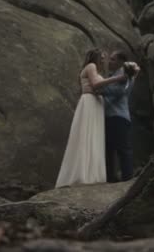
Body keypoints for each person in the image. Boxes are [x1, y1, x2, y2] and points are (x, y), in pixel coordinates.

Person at [55, 48, 129, 188]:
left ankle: (93, 174)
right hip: (90, 103)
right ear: (95, 57)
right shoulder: (91, 66)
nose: (104, 60)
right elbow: (95, 84)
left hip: (96, 105)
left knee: (94, 138)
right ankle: (83, 175)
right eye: (102, 57)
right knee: (86, 137)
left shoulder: (97, 70)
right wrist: (118, 78)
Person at [101, 50, 140, 182]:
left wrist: (100, 88)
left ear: (120, 62)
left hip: (119, 117)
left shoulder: (126, 73)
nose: (109, 62)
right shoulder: (113, 75)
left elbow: (119, 91)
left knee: (123, 149)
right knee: (108, 149)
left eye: (112, 59)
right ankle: (110, 178)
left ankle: (127, 179)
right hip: (108, 117)